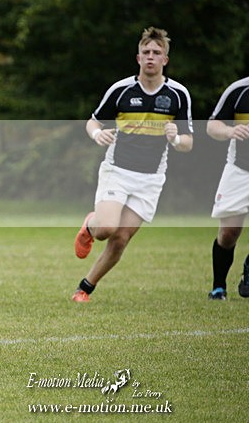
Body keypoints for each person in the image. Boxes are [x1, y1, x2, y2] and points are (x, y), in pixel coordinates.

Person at [72, 27, 193, 302]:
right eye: (146, 52)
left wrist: (176, 139)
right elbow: (92, 121)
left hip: (151, 178)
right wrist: (97, 133)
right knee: (106, 230)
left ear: (165, 59)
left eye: (157, 53)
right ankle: (91, 225)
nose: (151, 57)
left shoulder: (178, 95)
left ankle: (84, 288)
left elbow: (188, 143)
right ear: (138, 58)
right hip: (118, 171)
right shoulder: (121, 90)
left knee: (121, 238)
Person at [206, 76, 249, 300]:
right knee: (228, 233)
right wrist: (229, 132)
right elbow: (213, 126)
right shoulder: (239, 90)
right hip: (240, 169)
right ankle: (218, 287)